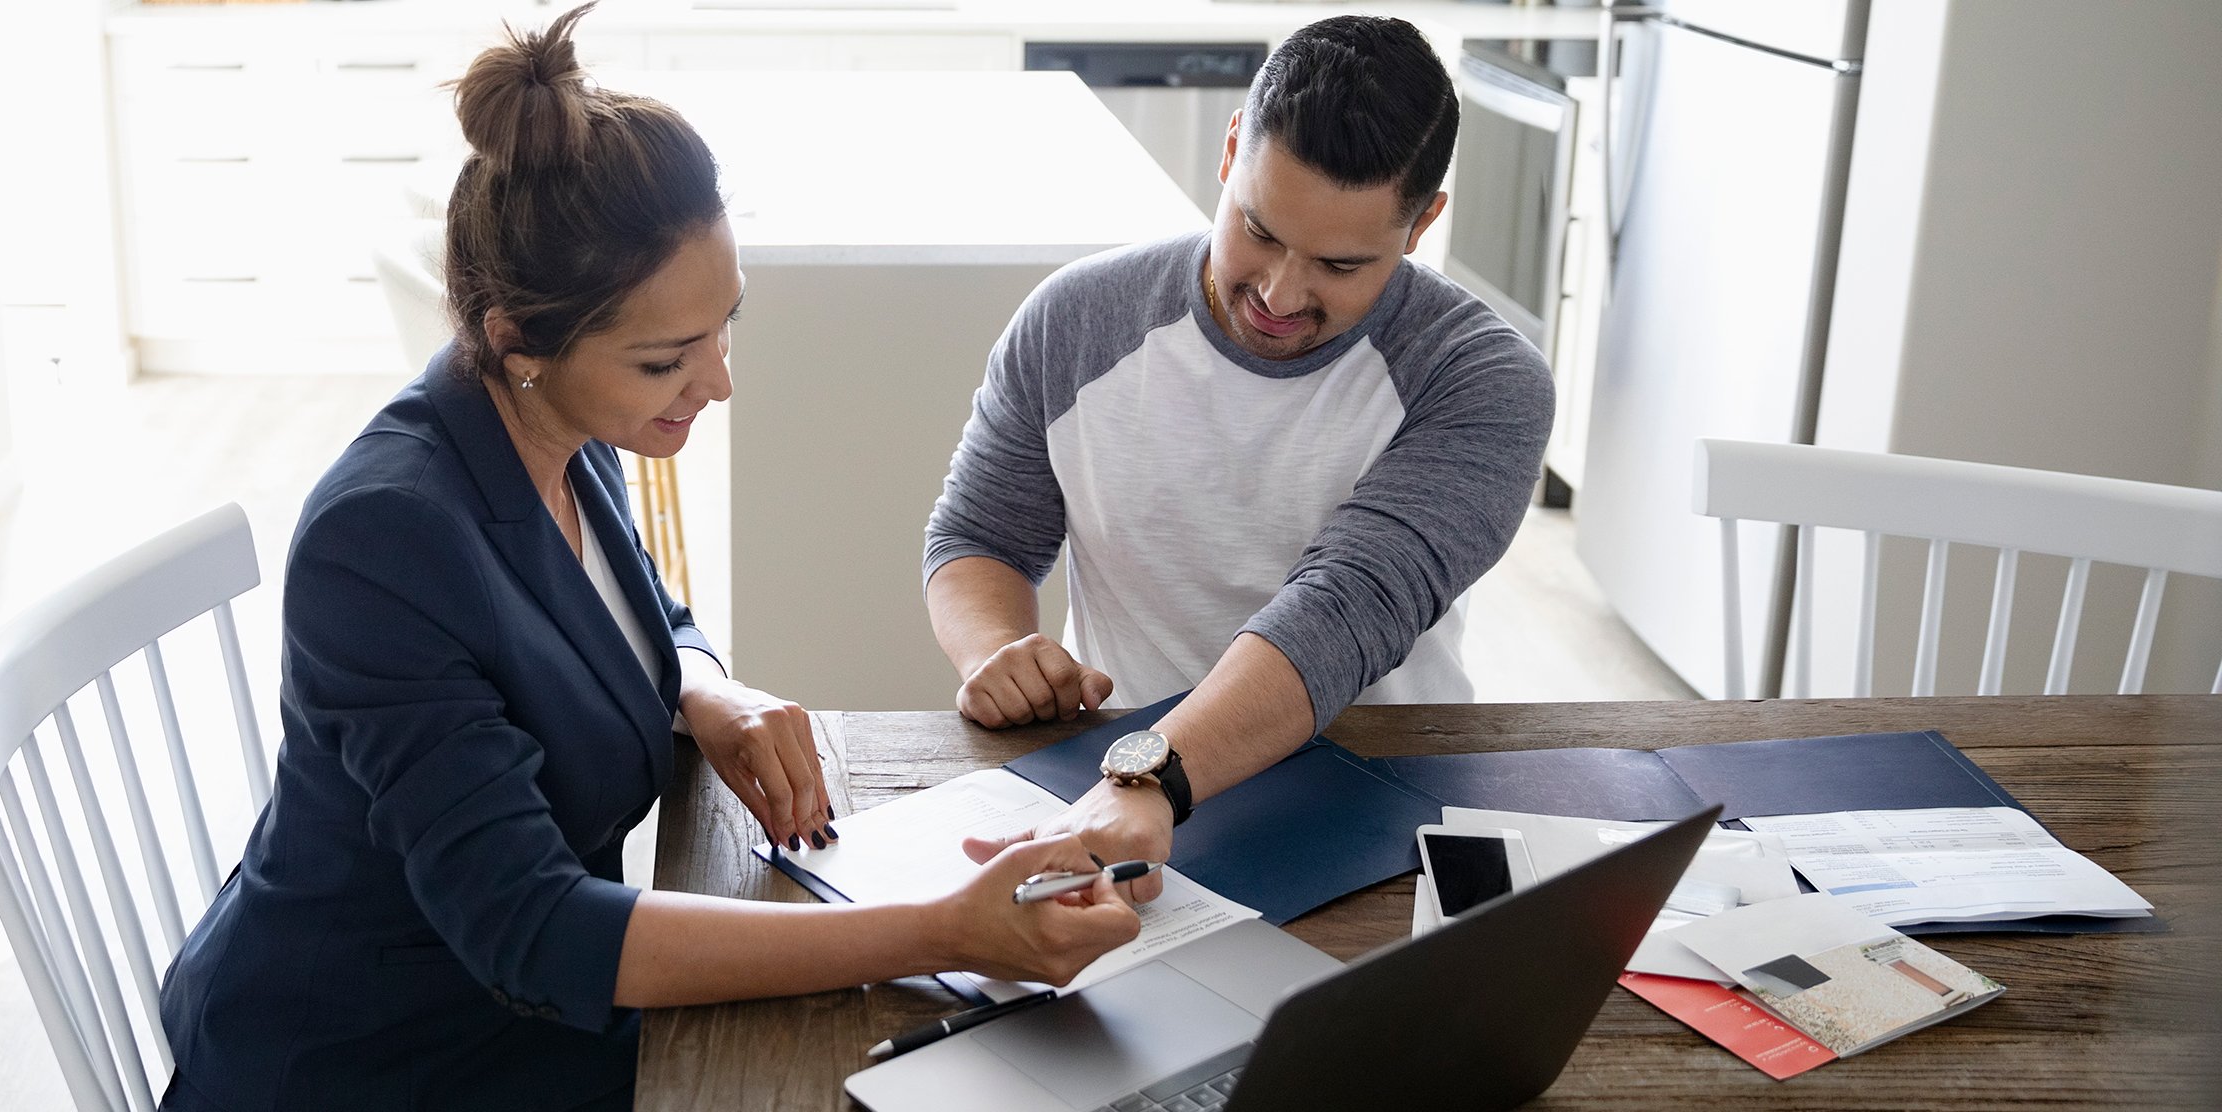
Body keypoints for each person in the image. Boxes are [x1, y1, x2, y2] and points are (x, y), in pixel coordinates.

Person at [157, 8, 1139, 1110]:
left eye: (727, 324)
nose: (718, 382)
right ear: (518, 340)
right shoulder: (381, 545)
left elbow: (641, 613)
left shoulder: (563, 432)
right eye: (668, 357)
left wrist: (707, 689)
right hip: (375, 1057)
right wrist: (942, 929)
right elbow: (533, 928)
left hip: (522, 1012)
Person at [923, 16, 1553, 898]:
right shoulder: (1075, 319)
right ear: (1230, 151)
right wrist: (998, 649)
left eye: (1338, 265)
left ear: (1421, 224)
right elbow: (979, 534)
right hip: (1114, 781)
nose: (1280, 293)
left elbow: (1346, 606)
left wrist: (1154, 779)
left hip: (1384, 792)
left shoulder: (1481, 378)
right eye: (1258, 230)